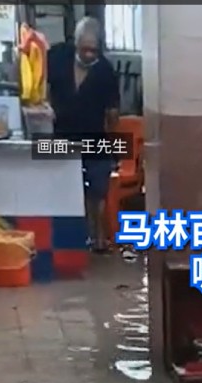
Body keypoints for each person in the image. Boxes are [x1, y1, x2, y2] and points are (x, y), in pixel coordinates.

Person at [47, 17, 120, 253]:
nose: (88, 55)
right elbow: (40, 88)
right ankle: (68, 239)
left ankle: (98, 238)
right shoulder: (56, 56)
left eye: (94, 51)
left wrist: (112, 145)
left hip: (94, 137)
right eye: (84, 49)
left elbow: (112, 113)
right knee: (58, 185)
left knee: (97, 189)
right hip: (60, 136)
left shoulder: (105, 71)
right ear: (75, 43)